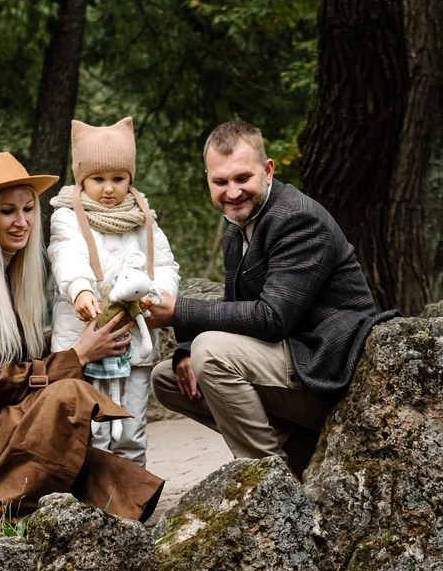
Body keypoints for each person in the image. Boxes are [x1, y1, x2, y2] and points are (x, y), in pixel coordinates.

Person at [0, 151, 163, 544]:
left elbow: (22, 366)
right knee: (66, 400)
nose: (22, 221)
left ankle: (121, 510)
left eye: (28, 209)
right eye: (7, 211)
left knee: (97, 469)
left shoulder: (9, 275)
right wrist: (78, 356)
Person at [147, 119, 394, 471]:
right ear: (208, 179)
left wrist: (178, 313)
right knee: (169, 380)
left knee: (211, 355)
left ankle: (266, 478)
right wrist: (185, 350)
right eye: (220, 182)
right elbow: (237, 308)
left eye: (241, 178)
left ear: (267, 170)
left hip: (328, 372)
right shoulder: (238, 229)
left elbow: (272, 317)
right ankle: (297, 451)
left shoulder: (297, 219)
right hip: (291, 361)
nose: (232, 192)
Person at [48, 117, 179, 467]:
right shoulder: (67, 217)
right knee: (92, 428)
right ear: (82, 179)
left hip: (131, 341)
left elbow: (165, 264)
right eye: (98, 179)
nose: (109, 189)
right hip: (83, 338)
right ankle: (90, 499)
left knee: (131, 424)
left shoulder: (143, 218)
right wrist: (79, 289)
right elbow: (66, 254)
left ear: (130, 179)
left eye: (118, 179)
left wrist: (158, 292)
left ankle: (133, 496)